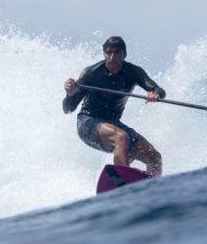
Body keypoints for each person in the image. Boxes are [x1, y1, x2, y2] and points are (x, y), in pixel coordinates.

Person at [63, 36, 166, 175]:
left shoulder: (134, 72)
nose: (112, 58)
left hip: (114, 124)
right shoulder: (91, 73)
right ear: (104, 53)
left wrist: (155, 94)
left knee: (154, 157)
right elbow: (68, 108)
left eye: (117, 53)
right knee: (120, 137)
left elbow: (159, 90)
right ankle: (124, 185)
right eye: (108, 53)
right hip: (87, 122)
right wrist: (70, 94)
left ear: (124, 55)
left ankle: (155, 189)